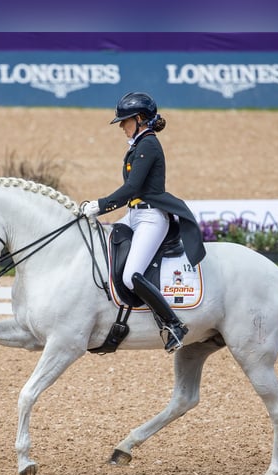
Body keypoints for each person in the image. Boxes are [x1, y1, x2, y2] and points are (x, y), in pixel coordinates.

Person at [80, 91, 206, 353]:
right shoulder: (138, 144)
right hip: (135, 214)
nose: (122, 127)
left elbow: (132, 187)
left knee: (130, 276)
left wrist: (99, 205)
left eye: (125, 121)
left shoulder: (148, 144)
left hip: (151, 217)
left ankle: (173, 323)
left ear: (139, 119)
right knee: (103, 244)